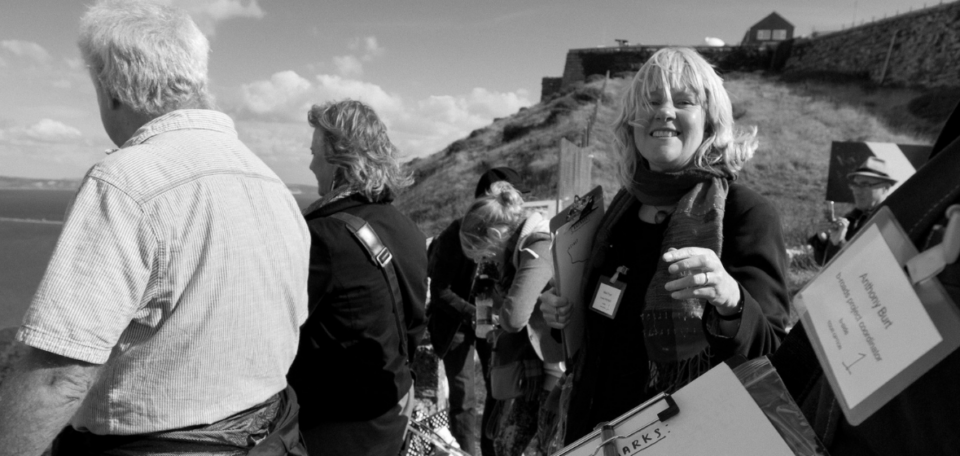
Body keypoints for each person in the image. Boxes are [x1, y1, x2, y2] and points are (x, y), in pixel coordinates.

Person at [0, 1, 311, 455]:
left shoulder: (126, 181)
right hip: (274, 439)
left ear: (112, 92)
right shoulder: (270, 182)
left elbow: (57, 376)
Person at [540, 47, 790, 445]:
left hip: (687, 442)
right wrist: (559, 317)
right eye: (651, 102)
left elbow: (773, 351)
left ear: (710, 121)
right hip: (592, 436)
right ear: (631, 123)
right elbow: (588, 339)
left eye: (685, 102)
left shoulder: (745, 213)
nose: (665, 112)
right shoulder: (615, 213)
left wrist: (731, 301)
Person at [286, 99, 427, 456]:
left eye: (315, 152)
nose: (310, 163)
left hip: (340, 420)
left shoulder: (324, 236)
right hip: (391, 403)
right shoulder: (404, 226)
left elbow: (281, 326)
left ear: (339, 159)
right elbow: (412, 321)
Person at [427, 167, 529, 456]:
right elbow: (440, 291)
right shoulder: (456, 234)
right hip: (455, 323)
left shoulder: (509, 238)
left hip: (487, 313)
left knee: (496, 389)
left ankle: (489, 450)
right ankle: (464, 452)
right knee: (464, 399)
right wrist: (473, 313)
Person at [459, 181, 563, 456]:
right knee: (508, 445)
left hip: (557, 366)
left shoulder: (537, 246)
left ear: (495, 234)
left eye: (486, 252)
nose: (489, 260)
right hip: (544, 360)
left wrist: (499, 309)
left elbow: (515, 317)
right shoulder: (523, 246)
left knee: (540, 446)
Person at [809, 156, 897, 265]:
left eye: (865, 185)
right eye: (855, 185)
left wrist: (840, 243)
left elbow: (873, 267)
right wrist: (823, 241)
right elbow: (825, 263)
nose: (857, 191)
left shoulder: (893, 222)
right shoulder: (852, 218)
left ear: (885, 188)